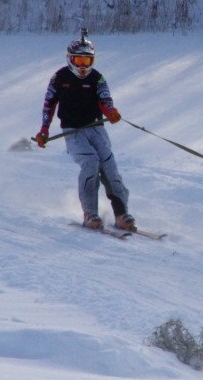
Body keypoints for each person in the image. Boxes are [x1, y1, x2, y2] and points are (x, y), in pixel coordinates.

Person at [34, 29, 136, 232]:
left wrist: (111, 112)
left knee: (109, 165)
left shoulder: (97, 78)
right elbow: (49, 104)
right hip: (73, 131)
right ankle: (90, 213)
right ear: (70, 59)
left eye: (87, 61)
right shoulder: (59, 77)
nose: (82, 66)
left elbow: (105, 99)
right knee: (90, 162)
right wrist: (44, 130)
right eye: (79, 60)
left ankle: (121, 213)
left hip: (95, 128)